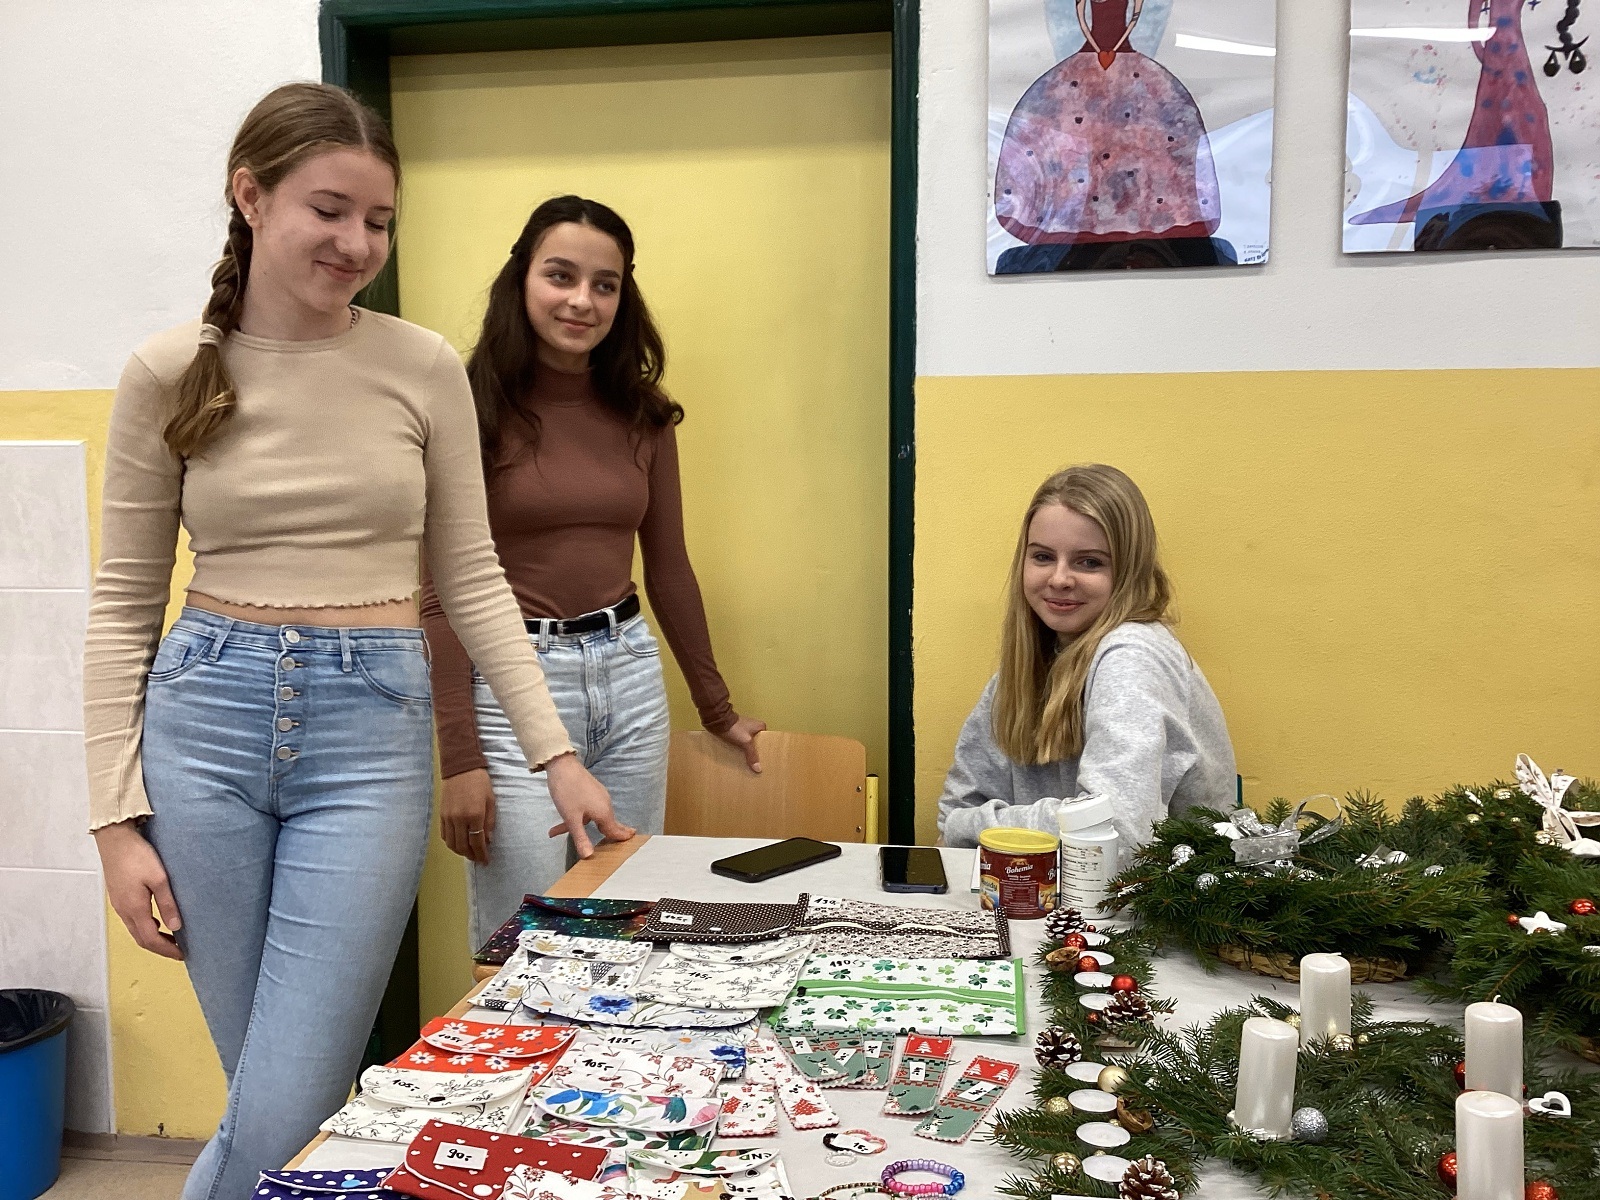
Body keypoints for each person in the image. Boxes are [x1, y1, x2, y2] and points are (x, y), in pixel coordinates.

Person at [82, 84, 630, 1200]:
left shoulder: (419, 366)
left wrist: (555, 753)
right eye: (329, 211)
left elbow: (471, 577)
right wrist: (111, 820)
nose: (358, 244)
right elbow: (123, 604)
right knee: (271, 1101)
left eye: (378, 221)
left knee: (290, 1098)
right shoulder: (166, 372)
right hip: (205, 721)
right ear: (250, 196)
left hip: (369, 734)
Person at [419, 195, 765, 950]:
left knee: (628, 918)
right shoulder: (465, 410)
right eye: (561, 276)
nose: (582, 300)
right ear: (521, 278)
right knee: (523, 933)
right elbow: (439, 598)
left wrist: (718, 710)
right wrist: (460, 761)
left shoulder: (643, 415)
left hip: (629, 673)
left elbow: (668, 568)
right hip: (512, 681)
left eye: (604, 285)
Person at [937, 464, 1235, 851]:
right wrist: (967, 826)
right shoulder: (1033, 662)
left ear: (1128, 570)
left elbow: (1116, 833)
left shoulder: (1132, 656)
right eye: (1043, 557)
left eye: (1089, 562)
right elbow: (955, 812)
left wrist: (977, 827)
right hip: (1049, 884)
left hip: (1155, 890)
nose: (1060, 578)